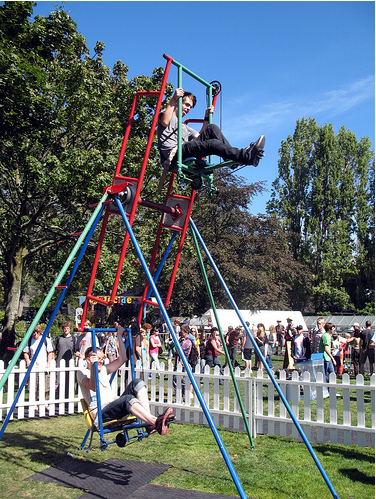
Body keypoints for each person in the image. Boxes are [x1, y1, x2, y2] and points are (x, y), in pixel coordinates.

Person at [77, 335, 174, 435]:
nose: (101, 361)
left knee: (138, 383)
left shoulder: (104, 369)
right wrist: (93, 367)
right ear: (89, 360)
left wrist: (119, 334)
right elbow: (93, 387)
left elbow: (123, 359)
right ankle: (154, 422)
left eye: (102, 358)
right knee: (127, 399)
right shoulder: (82, 372)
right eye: (99, 359)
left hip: (114, 406)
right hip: (101, 413)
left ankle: (149, 423)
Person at [158, 88, 265, 168]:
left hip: (186, 149)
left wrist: (206, 117)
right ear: (178, 102)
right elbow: (164, 121)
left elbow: (200, 138)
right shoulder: (168, 114)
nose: (188, 108)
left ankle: (232, 159)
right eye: (186, 105)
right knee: (212, 143)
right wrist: (174, 98)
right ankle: (244, 155)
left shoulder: (184, 127)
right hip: (175, 153)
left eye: (190, 107)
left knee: (212, 128)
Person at [23, 324, 54, 410]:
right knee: (34, 386)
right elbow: (25, 352)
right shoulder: (29, 341)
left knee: (45, 386)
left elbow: (50, 352)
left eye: (37, 332)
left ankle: (44, 402)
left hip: (43, 366)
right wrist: (28, 360)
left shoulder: (45, 340)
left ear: (40, 332)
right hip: (34, 368)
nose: (35, 334)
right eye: (33, 332)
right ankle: (34, 403)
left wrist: (48, 363)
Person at [54, 321, 76, 399]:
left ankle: (68, 396)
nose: (65, 330)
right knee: (59, 380)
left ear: (70, 329)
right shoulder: (58, 338)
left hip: (70, 362)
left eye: (67, 328)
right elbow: (54, 350)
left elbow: (76, 350)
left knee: (69, 379)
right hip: (59, 362)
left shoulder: (73, 339)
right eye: (64, 328)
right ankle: (59, 396)